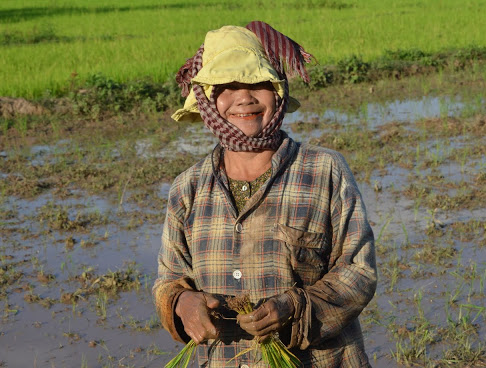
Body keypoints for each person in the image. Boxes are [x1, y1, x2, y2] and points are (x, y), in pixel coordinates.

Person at [153, 21, 377, 368]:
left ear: (279, 92)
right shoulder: (188, 189)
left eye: (258, 82)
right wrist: (182, 302)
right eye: (227, 86)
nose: (244, 97)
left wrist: (293, 308)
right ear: (208, 101)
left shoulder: (324, 171)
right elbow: (169, 278)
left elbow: (358, 272)